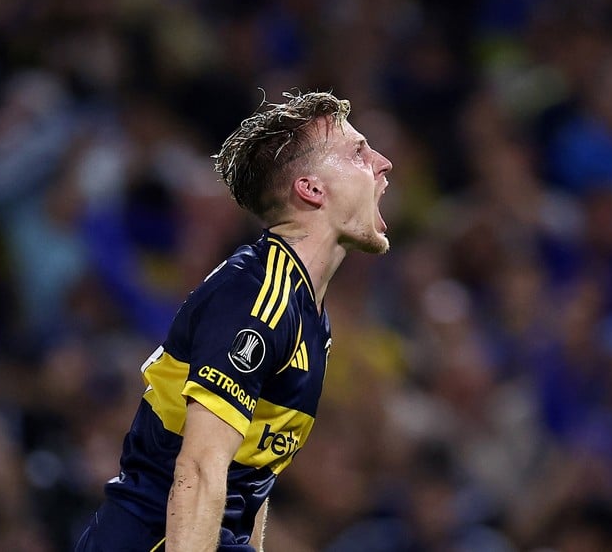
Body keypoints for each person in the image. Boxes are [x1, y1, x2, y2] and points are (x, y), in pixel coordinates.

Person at [74, 91, 393, 552]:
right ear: (312, 189)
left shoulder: (306, 312)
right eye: (359, 152)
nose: (383, 163)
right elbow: (200, 471)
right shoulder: (256, 297)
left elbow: (249, 476)